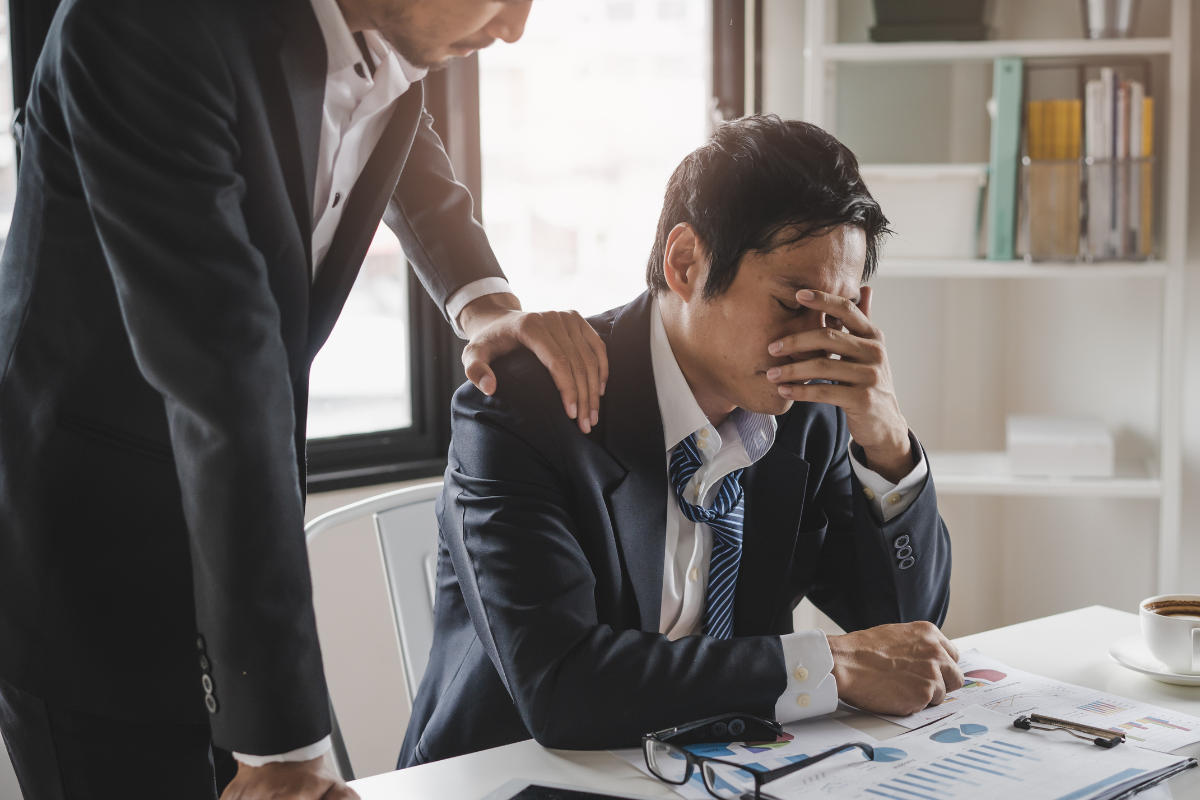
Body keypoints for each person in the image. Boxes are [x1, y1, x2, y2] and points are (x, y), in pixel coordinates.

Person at [0, 0, 607, 798]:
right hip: (88, 554)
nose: (515, 27)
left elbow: (395, 127)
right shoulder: (142, 24)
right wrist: (282, 744)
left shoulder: (376, 38)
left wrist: (484, 299)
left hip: (237, 537)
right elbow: (228, 378)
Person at [401, 115, 962, 768]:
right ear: (686, 263)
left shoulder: (812, 405)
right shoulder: (526, 407)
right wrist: (827, 665)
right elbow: (561, 686)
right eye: (791, 304)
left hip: (715, 771)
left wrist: (886, 437)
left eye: (840, 311)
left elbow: (903, 632)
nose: (819, 340)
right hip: (516, 776)